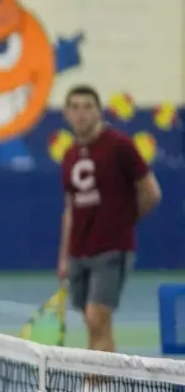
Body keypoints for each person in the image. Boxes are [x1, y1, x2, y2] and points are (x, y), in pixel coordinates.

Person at [58, 84, 161, 354]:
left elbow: (152, 192)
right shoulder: (68, 156)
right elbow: (70, 208)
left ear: (99, 111)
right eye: (75, 107)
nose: (81, 114)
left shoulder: (120, 146)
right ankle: (100, 386)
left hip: (111, 249)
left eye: (88, 107)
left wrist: (123, 222)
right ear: (67, 114)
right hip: (79, 251)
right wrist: (64, 256)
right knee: (92, 322)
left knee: (97, 317)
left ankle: (97, 389)